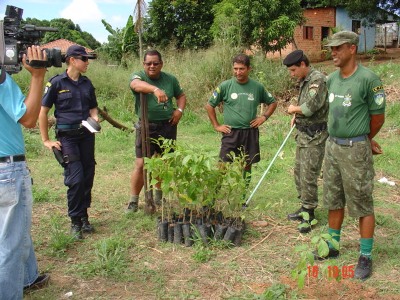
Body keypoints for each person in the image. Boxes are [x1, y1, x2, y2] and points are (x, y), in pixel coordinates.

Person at [316, 31, 386, 281]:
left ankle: (365, 255)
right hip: (332, 147)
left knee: (361, 202)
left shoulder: (368, 79)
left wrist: (364, 139)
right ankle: (332, 245)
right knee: (334, 197)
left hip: (355, 149)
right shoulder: (331, 79)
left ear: (352, 49)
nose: (333, 52)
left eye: (338, 48)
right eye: (331, 48)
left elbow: (378, 117)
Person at [0, 46, 50, 298]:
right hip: (6, 169)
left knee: (15, 226)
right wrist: (38, 76)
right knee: (9, 242)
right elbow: (29, 118)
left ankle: (28, 277)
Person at [39, 45, 99, 240]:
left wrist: (95, 120)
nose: (87, 62)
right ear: (73, 60)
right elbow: (43, 112)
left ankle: (84, 217)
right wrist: (46, 140)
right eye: (84, 59)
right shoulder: (56, 83)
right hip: (67, 138)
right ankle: (75, 221)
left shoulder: (87, 84)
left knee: (88, 175)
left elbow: (93, 109)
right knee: (76, 178)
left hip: (86, 136)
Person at [205, 53, 277, 196]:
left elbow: (273, 102)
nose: (238, 72)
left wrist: (264, 117)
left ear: (249, 69)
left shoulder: (257, 87)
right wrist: (216, 125)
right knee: (223, 164)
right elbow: (209, 105)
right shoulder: (225, 86)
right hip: (230, 132)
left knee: (247, 164)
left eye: (241, 69)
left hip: (250, 132)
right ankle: (214, 195)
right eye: (235, 68)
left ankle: (243, 196)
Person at [127, 49, 187, 212]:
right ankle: (133, 201)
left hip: (167, 126)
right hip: (146, 126)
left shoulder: (170, 79)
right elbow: (135, 85)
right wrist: (154, 89)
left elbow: (181, 96)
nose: (152, 66)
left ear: (161, 64)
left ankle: (158, 198)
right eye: (148, 63)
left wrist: (179, 111)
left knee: (162, 162)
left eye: (155, 63)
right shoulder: (139, 76)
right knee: (141, 164)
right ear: (143, 64)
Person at [283, 50, 329, 233]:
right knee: (299, 172)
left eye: (294, 70)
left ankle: (309, 214)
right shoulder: (305, 80)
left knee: (309, 174)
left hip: (315, 136)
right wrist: (296, 115)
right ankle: (303, 207)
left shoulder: (317, 80)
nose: (292, 74)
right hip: (303, 135)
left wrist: (294, 109)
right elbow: (304, 108)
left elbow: (310, 108)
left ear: (303, 64)